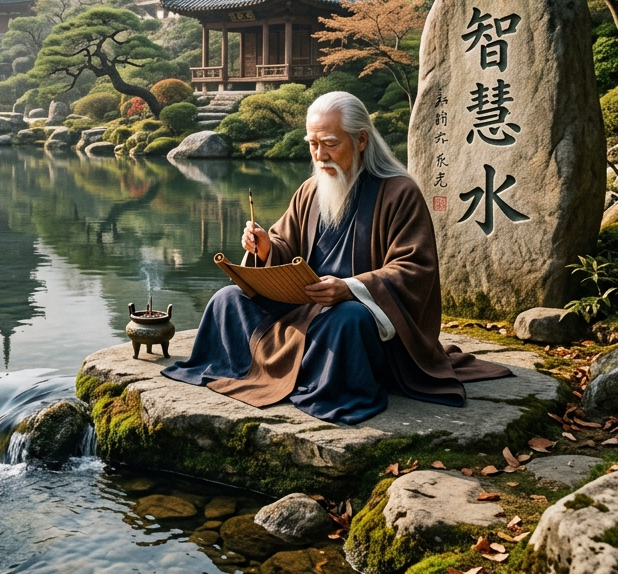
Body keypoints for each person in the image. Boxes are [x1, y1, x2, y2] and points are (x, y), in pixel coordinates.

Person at [162, 90, 512, 424]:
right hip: (308, 304)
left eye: (330, 144)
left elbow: (414, 268)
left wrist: (349, 288)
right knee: (228, 299)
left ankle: (311, 380)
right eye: (312, 145)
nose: (319, 155)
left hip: (365, 315)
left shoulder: (398, 191)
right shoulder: (311, 190)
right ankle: (259, 370)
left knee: (347, 321)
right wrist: (267, 247)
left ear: (360, 140)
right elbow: (288, 246)